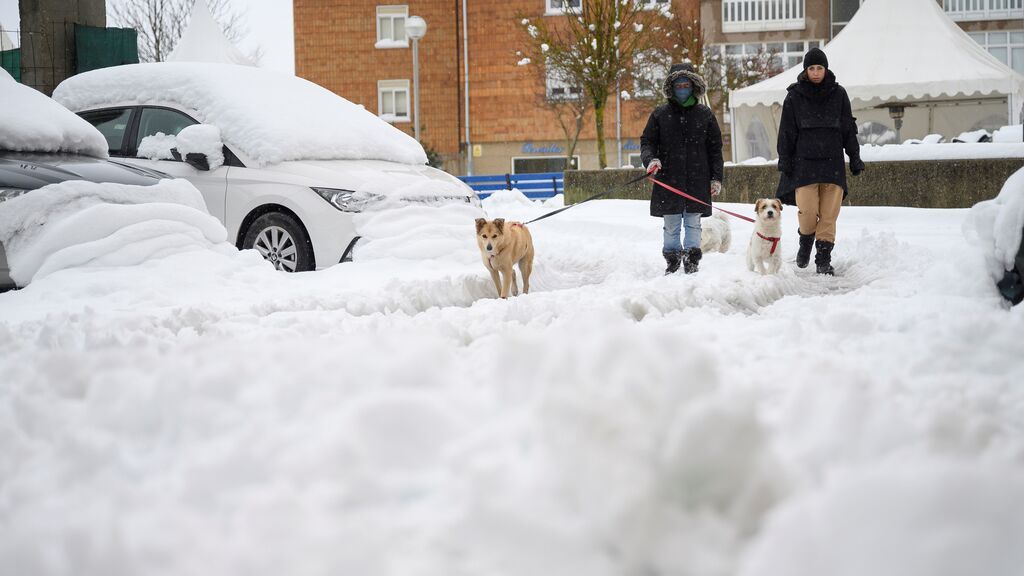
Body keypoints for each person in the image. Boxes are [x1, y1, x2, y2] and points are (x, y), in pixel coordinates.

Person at [776, 47, 864, 275]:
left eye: (820, 68)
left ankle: (823, 259)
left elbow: (848, 128)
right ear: (806, 70)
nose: (816, 72)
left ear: (826, 69)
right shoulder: (794, 96)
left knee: (829, 214)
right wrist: (784, 160)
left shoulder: (839, 94)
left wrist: (854, 157)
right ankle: (805, 242)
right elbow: (786, 131)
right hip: (804, 164)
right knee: (807, 210)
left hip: (833, 163)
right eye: (812, 68)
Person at [641, 62, 724, 275]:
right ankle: (672, 259)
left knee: (693, 223)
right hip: (668, 180)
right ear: (671, 88)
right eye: (678, 85)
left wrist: (716, 178)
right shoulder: (660, 114)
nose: (682, 89)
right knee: (671, 224)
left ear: (694, 86)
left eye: (686, 84)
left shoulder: (705, 115)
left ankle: (691, 259)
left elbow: (715, 149)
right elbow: (647, 142)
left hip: (698, 179)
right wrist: (651, 160)